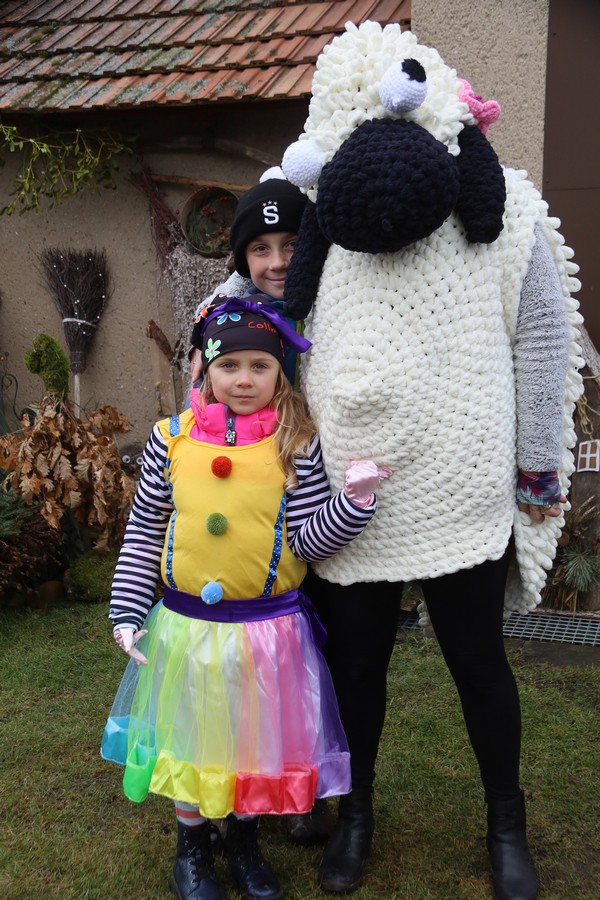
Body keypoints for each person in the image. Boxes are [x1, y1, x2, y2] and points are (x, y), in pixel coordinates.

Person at [276, 23, 583, 900]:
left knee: (478, 662)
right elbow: (278, 306)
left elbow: (543, 336)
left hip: (459, 477)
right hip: (350, 495)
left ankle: (505, 822)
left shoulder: (504, 207)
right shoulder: (329, 208)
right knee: (355, 667)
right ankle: (357, 814)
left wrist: (537, 466)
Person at [101, 297, 390, 900]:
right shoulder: (170, 441)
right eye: (229, 366)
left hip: (268, 633)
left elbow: (307, 539)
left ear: (280, 373)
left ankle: (243, 842)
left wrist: (354, 503)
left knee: (253, 743)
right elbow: (145, 530)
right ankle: (192, 852)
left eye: (261, 366)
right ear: (205, 370)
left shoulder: (296, 444)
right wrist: (127, 610)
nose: (243, 379)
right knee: (191, 738)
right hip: (188, 630)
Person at [189, 172, 307, 388]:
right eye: (261, 248)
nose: (278, 263)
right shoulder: (229, 324)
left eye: (292, 244)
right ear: (244, 261)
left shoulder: (343, 307)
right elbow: (203, 404)